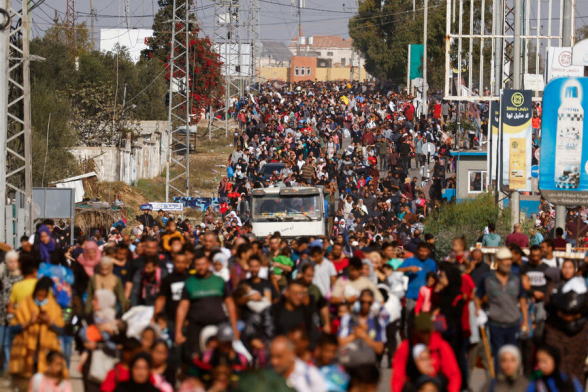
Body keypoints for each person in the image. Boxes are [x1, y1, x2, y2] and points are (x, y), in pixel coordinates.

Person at [175, 251, 239, 356]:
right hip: (196, 326)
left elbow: (230, 303)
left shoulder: (219, 281)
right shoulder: (189, 282)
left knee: (222, 355)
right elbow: (182, 307)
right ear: (194, 265)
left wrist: (234, 327)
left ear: (209, 264)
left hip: (219, 324)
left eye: (203, 264)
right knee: (195, 356)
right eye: (198, 264)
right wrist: (178, 332)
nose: (201, 267)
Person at [475, 247, 529, 364]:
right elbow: (477, 296)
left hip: (513, 324)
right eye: (505, 260)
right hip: (495, 324)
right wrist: (478, 310)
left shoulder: (516, 279)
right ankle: (499, 381)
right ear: (498, 261)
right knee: (499, 358)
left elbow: (522, 299)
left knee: (513, 359)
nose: (508, 262)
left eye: (509, 259)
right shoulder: (488, 279)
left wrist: (525, 320)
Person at [9, 277, 65, 380]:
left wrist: (49, 322)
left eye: (43, 296)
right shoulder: (24, 305)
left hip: (46, 355)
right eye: (38, 295)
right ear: (34, 293)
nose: (40, 299)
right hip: (27, 354)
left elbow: (61, 330)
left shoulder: (54, 307)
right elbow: (13, 329)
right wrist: (29, 322)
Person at [391, 313, 461, 392]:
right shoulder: (406, 347)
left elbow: (453, 375)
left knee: (430, 387)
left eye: (428, 331)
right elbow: (397, 378)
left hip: (437, 385)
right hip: (414, 385)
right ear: (415, 330)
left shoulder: (441, 345)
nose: (426, 335)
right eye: (422, 332)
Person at [0, 251, 22, 371]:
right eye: (10, 262)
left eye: (15, 262)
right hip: (2, 315)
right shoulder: (3, 275)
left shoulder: (21, 277)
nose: (13, 264)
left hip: (15, 315)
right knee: (2, 344)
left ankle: (10, 369)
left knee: (11, 344)